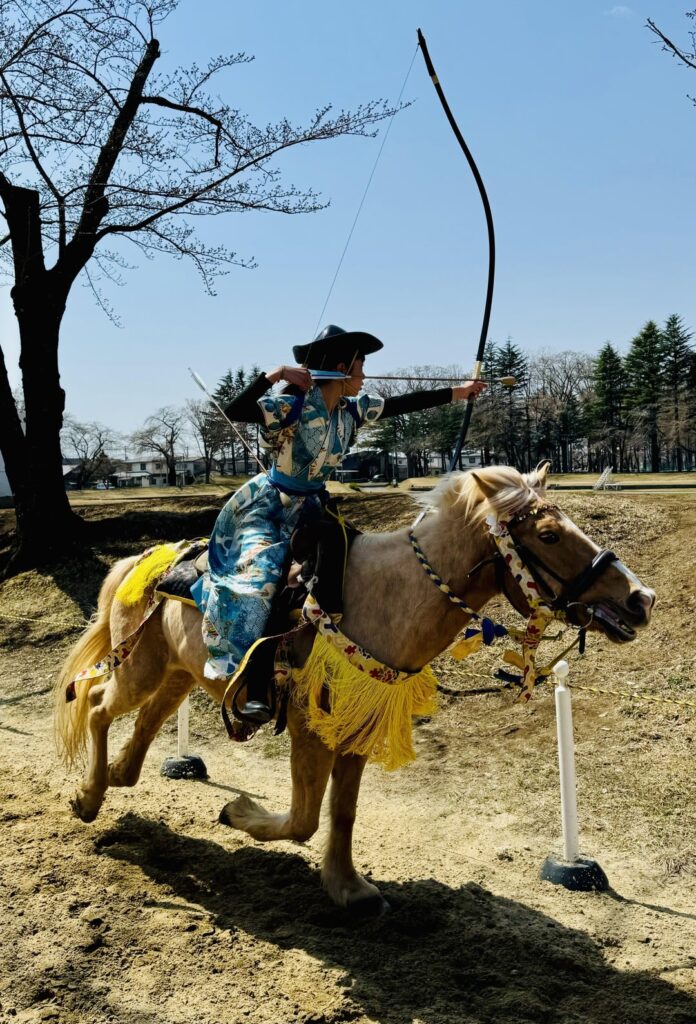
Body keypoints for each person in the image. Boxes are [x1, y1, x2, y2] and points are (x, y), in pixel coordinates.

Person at [191, 324, 486, 723]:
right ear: (344, 368)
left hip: (314, 507)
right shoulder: (292, 403)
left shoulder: (352, 410)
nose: (365, 376)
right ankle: (256, 685)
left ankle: (332, 658)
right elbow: (236, 410)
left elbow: (403, 404)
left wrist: (460, 392)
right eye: (361, 367)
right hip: (267, 508)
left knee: (352, 558)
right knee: (260, 580)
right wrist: (275, 375)